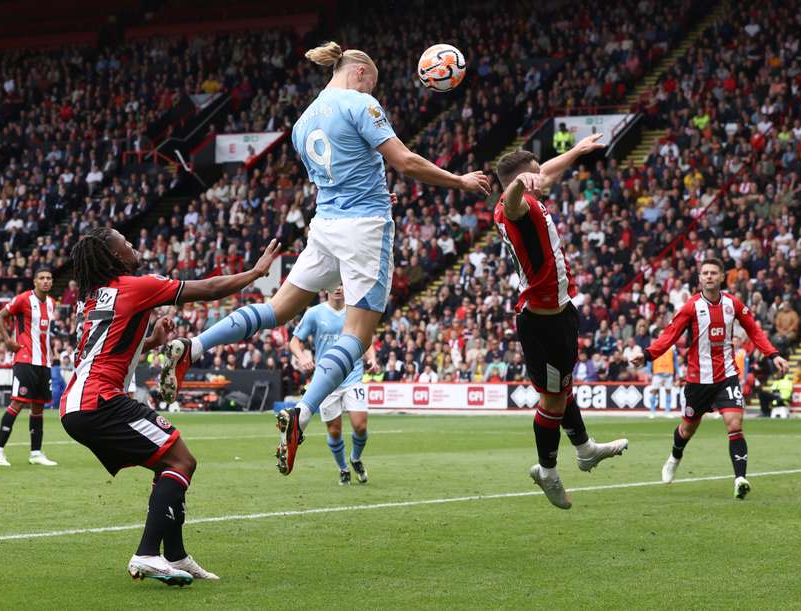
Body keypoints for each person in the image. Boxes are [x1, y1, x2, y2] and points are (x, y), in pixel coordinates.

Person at [158, 41, 490, 476]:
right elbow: (405, 162)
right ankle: (304, 412)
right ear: (360, 74)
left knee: (278, 308)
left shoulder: (301, 123)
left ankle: (195, 345)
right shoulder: (360, 102)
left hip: (326, 226)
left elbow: (340, 176)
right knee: (358, 334)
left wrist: (371, 191)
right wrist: (460, 182)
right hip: (364, 229)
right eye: (372, 82)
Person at [60, 227, 279, 585]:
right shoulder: (136, 285)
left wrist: (152, 342)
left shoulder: (97, 296)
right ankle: (147, 553)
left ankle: (175, 555)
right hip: (99, 401)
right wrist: (255, 273)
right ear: (115, 257)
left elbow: (105, 349)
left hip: (79, 403)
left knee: (170, 465)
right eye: (126, 243)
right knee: (182, 460)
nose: (132, 244)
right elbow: (207, 289)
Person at [493, 136, 629, 510]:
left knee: (562, 389)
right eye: (534, 174)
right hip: (543, 321)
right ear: (520, 179)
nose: (544, 177)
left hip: (561, 312)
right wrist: (521, 185)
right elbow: (512, 199)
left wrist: (576, 151)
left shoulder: (530, 190)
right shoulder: (513, 209)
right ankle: (548, 471)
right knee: (552, 399)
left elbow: (544, 173)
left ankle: (585, 450)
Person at [630, 259, 788, 499]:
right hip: (697, 380)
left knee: (735, 425)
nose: (709, 276)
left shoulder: (733, 304)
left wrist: (773, 354)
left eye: (714, 272)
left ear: (722, 277)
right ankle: (675, 456)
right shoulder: (690, 307)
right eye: (705, 273)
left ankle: (740, 479)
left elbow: (754, 330)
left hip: (727, 376)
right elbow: (670, 335)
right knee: (686, 429)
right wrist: (648, 355)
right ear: (699, 278)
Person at [289, 286, 379, 485]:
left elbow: (366, 339)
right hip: (327, 380)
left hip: (353, 376)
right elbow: (294, 342)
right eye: (333, 284)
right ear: (325, 288)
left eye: (341, 284)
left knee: (360, 426)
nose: (337, 288)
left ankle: (355, 459)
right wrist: (302, 356)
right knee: (335, 431)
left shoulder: (354, 312)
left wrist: (371, 358)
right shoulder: (314, 313)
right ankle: (343, 469)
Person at [0, 267, 59, 467]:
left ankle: (36, 453)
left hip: (43, 363)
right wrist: (8, 340)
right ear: (34, 281)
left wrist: (51, 351)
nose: (46, 281)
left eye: (49, 278)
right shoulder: (23, 299)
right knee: (18, 403)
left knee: (38, 407)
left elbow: (44, 333)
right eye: (42, 278)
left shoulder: (52, 303)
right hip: (24, 359)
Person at [646, 339, 678, 418]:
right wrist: (648, 372)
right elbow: (650, 359)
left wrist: (678, 372)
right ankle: (652, 411)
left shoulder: (672, 347)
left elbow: (675, 361)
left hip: (669, 372)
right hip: (657, 372)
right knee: (654, 391)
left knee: (668, 391)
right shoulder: (655, 346)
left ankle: (667, 411)